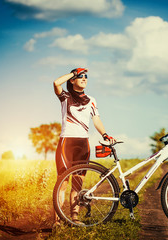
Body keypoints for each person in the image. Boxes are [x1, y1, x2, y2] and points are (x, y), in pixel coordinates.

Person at [53, 68, 115, 225]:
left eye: (86, 76)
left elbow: (96, 120)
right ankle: (57, 221)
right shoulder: (65, 97)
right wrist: (74, 73)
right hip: (67, 142)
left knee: (78, 183)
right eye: (80, 76)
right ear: (72, 80)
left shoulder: (91, 99)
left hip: (83, 143)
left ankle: (74, 218)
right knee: (63, 182)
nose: (84, 78)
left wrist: (105, 134)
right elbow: (56, 82)